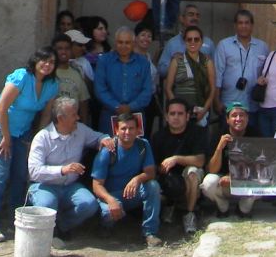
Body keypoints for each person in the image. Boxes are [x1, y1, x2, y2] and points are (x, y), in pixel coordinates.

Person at [0, 48, 60, 241]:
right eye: (44, 60)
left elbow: (46, 114)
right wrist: (6, 137)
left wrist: (36, 139)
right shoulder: (21, 76)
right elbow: (2, 107)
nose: (47, 65)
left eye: (51, 62)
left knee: (20, 175)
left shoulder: (52, 84)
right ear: (35, 61)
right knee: (0, 174)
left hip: (22, 131)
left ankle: (14, 222)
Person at [26, 97, 115, 239]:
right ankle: (47, 233)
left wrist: (105, 139)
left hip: (70, 186)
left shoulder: (80, 130)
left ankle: (62, 226)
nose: (78, 117)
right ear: (61, 118)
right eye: (74, 115)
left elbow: (98, 137)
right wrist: (62, 170)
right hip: (45, 185)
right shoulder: (42, 138)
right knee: (46, 204)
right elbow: (34, 172)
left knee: (89, 204)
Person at [90, 112, 163, 246]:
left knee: (153, 186)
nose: (127, 132)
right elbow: (96, 185)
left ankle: (149, 233)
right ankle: (105, 226)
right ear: (116, 130)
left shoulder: (143, 145)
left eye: (131, 128)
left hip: (132, 193)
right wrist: (111, 200)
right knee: (108, 213)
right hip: (111, 196)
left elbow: (151, 173)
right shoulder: (108, 151)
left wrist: (137, 179)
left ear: (138, 130)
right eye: (123, 128)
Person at [151, 98, 210, 236]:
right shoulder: (159, 136)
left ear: (187, 116)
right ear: (166, 116)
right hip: (168, 179)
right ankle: (169, 206)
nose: (176, 117)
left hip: (190, 177)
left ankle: (190, 214)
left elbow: (200, 161)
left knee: (193, 172)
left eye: (180, 113)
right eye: (172, 114)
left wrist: (176, 159)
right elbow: (154, 165)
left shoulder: (198, 132)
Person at [215, 9, 271, 135]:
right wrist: (216, 101)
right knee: (227, 142)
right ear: (235, 25)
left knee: (251, 142)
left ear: (252, 25)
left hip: (253, 106)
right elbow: (217, 75)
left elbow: (267, 73)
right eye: (240, 23)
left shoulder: (263, 47)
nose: (243, 26)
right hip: (229, 104)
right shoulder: (224, 45)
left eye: (247, 23)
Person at [201, 101, 257, 217]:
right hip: (223, 183)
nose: (238, 119)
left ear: (247, 118)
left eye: (242, 115)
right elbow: (212, 170)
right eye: (234, 115)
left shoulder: (255, 134)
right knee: (208, 182)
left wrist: (234, 177)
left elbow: (260, 167)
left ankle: (243, 208)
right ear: (227, 120)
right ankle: (222, 206)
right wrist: (219, 148)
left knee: (265, 180)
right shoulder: (217, 134)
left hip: (244, 182)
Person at [95, 27, 154, 129]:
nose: (123, 46)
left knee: (136, 144)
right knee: (110, 144)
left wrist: (130, 107)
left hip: (136, 114)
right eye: (120, 42)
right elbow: (100, 89)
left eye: (127, 43)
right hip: (110, 114)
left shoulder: (143, 63)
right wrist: (116, 106)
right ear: (115, 42)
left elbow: (147, 91)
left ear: (133, 43)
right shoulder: (104, 61)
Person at [164, 26, 219, 128]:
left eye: (196, 39)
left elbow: (212, 90)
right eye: (189, 39)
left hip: (200, 109)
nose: (193, 42)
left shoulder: (207, 62)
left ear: (201, 42)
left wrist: (204, 110)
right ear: (184, 41)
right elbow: (168, 88)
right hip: (179, 112)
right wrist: (177, 109)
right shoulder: (176, 61)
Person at [158, 4, 217, 81]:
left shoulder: (209, 43)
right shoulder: (172, 43)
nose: (195, 18)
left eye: (197, 15)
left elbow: (216, 71)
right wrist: (173, 63)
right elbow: (161, 71)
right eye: (191, 14)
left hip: (203, 90)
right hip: (178, 91)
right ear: (181, 18)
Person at [51, 34, 94, 121]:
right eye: (60, 49)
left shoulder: (78, 72)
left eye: (67, 48)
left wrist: (84, 125)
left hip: (73, 123)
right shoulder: (48, 71)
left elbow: (83, 102)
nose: (64, 52)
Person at [134, 23, 161, 137]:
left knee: (146, 134)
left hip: (149, 100)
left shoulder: (148, 56)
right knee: (135, 133)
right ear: (135, 37)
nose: (146, 38)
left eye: (149, 36)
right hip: (135, 100)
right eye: (143, 35)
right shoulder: (130, 56)